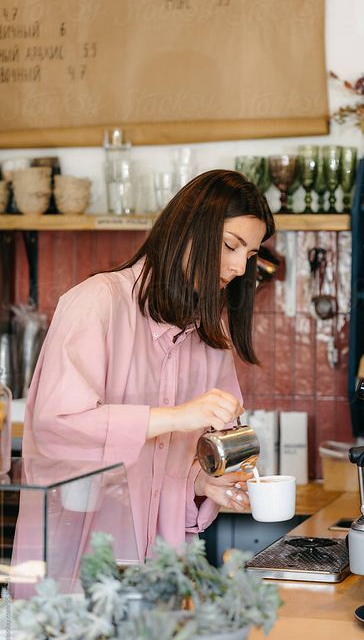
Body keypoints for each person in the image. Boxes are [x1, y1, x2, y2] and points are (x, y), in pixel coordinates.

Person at [18, 169, 275, 568]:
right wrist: (174, 417)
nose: (241, 267)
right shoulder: (97, 303)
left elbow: (175, 461)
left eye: (250, 255)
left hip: (157, 566)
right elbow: (56, 427)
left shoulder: (210, 332)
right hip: (77, 561)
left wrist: (203, 482)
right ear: (188, 230)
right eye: (230, 245)